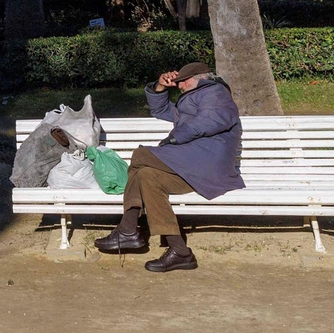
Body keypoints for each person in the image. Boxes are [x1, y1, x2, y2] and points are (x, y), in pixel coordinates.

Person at [94, 60, 244, 272]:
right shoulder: (189, 101)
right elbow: (160, 109)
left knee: (141, 154)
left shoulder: (215, 92)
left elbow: (212, 119)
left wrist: (174, 139)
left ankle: (127, 229)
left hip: (208, 163)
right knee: (146, 175)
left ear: (200, 78)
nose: (179, 85)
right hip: (191, 166)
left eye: (183, 81)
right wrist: (160, 86)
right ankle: (180, 251)